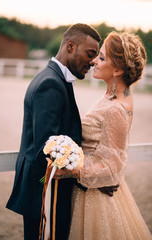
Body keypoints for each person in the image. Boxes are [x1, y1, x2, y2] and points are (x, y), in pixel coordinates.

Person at [6, 23, 118, 240]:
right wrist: (92, 178)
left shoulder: (56, 79)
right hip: (46, 195)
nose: (94, 61)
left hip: (49, 191)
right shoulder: (50, 84)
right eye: (90, 53)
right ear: (70, 46)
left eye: (96, 55)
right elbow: (47, 152)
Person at [68, 31, 152, 240]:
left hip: (95, 198)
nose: (95, 60)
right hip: (90, 188)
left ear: (119, 69)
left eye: (102, 57)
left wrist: (72, 171)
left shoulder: (115, 108)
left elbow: (113, 165)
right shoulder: (114, 95)